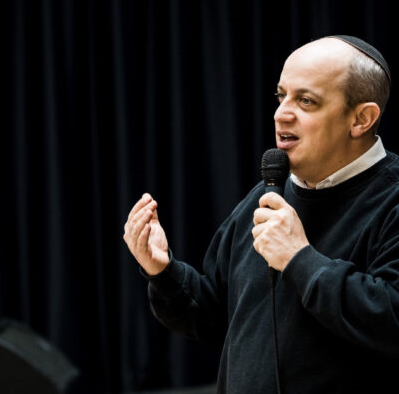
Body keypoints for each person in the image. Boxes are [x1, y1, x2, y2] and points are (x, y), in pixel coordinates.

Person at [123, 35, 399, 393]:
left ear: (361, 119)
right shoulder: (266, 197)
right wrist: (163, 271)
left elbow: (391, 319)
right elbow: (214, 320)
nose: (281, 113)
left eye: (306, 101)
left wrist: (300, 259)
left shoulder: (391, 199)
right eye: (281, 96)